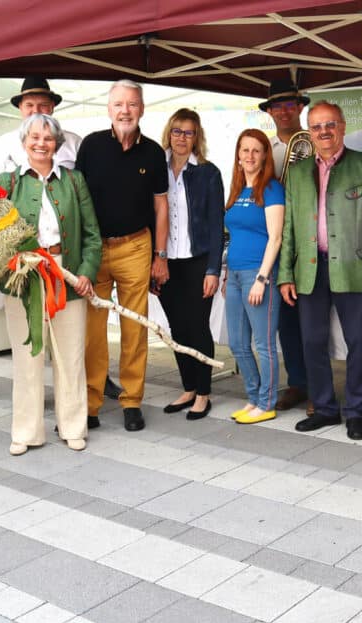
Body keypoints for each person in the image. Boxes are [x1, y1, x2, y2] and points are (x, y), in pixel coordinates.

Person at [278, 101, 362, 441]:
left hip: (355, 269)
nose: (323, 132)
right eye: (316, 126)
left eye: (330, 124)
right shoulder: (297, 174)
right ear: (309, 132)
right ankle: (325, 408)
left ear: (342, 127)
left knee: (358, 342)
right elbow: (289, 230)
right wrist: (285, 274)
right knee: (312, 342)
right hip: (309, 271)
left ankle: (356, 411)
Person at [0, 114, 101, 454]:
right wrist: (13, 269)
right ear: (24, 142)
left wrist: (86, 272)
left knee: (70, 356)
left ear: (57, 142)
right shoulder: (9, 182)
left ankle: (73, 425)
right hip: (24, 278)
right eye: (34, 137)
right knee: (27, 357)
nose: (41, 143)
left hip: (66, 275)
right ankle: (26, 431)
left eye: (48, 138)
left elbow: (91, 235)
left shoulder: (74, 180)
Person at [76, 79, 169, 433]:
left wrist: (160, 255)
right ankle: (91, 404)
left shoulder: (153, 153)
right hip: (96, 249)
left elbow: (161, 206)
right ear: (109, 109)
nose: (125, 111)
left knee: (135, 328)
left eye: (132, 104)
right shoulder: (92, 146)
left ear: (142, 109)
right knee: (93, 333)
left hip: (136, 246)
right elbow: (78, 200)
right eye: (119, 104)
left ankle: (131, 401)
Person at [157, 108, 224, 420]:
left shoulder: (208, 173)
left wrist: (212, 270)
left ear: (197, 137)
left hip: (197, 261)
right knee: (177, 328)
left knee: (198, 328)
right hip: (166, 262)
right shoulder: (157, 168)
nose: (182, 137)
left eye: (189, 132)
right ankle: (188, 387)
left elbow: (215, 224)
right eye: (177, 130)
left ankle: (204, 393)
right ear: (169, 133)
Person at [223, 129, 285, 424]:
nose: (249, 156)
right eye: (245, 150)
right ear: (238, 155)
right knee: (236, 343)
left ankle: (267, 402)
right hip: (233, 274)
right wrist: (225, 275)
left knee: (263, 344)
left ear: (264, 156)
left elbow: (275, 238)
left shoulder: (271, 188)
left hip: (257, 275)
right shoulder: (236, 190)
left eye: (256, 150)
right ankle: (253, 396)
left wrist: (262, 278)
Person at [262, 79, 312, 415]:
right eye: (277, 106)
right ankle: (298, 382)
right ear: (269, 112)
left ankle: (318, 388)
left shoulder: (314, 141)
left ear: (300, 108)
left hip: (308, 238)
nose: (283, 111)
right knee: (287, 321)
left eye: (290, 105)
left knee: (313, 319)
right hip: (278, 242)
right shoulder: (263, 148)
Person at [0, 77, 82, 181]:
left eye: (43, 105)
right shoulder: (0, 145)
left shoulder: (74, 142)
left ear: (52, 107)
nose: (36, 111)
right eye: (29, 105)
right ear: (20, 107)